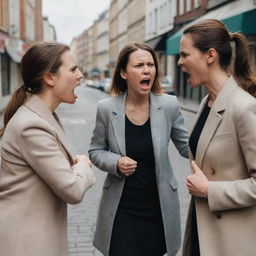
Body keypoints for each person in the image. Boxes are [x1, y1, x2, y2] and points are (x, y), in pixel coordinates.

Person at [89, 42, 189, 256]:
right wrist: (115, 162)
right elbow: (95, 151)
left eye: (151, 64)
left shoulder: (169, 105)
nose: (146, 70)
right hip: (121, 208)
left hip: (158, 208)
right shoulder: (106, 109)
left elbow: (187, 147)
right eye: (139, 65)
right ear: (124, 73)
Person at [0, 42, 96, 256]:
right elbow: (72, 189)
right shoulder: (31, 125)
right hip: (25, 242)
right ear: (50, 77)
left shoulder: (43, 116)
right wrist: (81, 165)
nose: (80, 75)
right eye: (73, 69)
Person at [178, 19, 256, 256]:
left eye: (184, 54)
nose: (180, 62)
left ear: (210, 55)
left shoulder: (244, 107)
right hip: (203, 233)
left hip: (232, 241)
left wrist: (210, 190)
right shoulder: (206, 103)